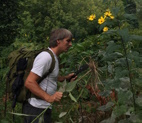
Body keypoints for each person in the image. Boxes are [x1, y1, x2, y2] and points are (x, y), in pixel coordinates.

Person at [22, 28, 77, 123]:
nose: (70, 44)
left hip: (43, 107)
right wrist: (49, 98)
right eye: (68, 41)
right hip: (36, 108)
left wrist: (66, 78)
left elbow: (48, 77)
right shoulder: (46, 57)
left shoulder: (54, 57)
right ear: (58, 41)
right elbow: (29, 82)